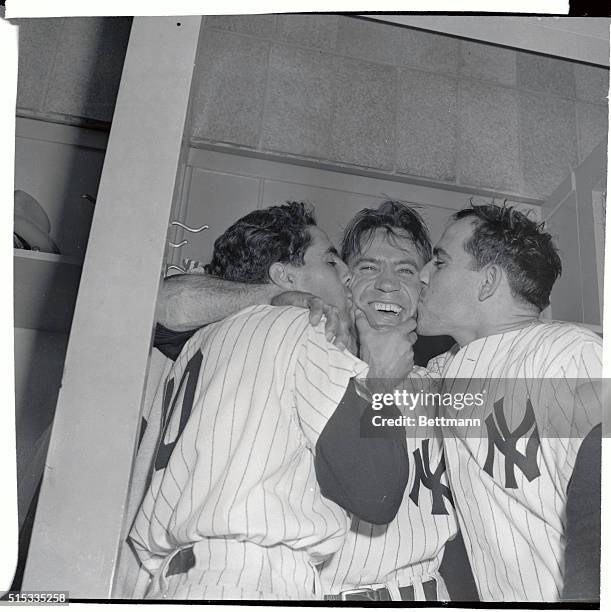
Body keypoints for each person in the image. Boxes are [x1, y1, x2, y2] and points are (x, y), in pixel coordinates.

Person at [126, 202, 413, 600]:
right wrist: (380, 385)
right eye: (331, 262)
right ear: (284, 276)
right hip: (252, 578)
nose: (346, 272)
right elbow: (377, 494)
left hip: (172, 580)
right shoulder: (306, 324)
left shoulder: (199, 342)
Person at [416, 204, 602, 602]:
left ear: (487, 283)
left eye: (440, 261)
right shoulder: (442, 370)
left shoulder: (568, 356)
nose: (422, 274)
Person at [316, 202, 460, 602]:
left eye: (406, 270)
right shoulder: (304, 365)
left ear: (424, 286)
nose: (386, 284)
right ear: (344, 279)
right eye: (367, 267)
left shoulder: (447, 381)